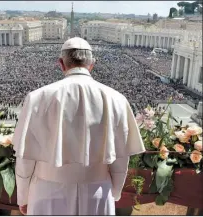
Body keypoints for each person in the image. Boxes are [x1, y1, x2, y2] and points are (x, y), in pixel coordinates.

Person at [13, 37, 146, 215]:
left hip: (47, 192)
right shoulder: (117, 99)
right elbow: (120, 159)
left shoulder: (37, 98)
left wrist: (23, 197)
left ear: (61, 63)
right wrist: (114, 193)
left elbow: (25, 159)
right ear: (92, 64)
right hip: (98, 191)